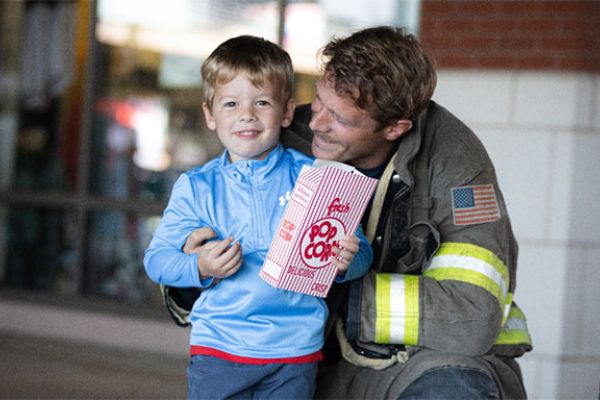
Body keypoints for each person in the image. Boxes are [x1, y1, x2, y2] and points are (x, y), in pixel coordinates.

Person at [175, 26, 533, 399]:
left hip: (406, 364)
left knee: (453, 390)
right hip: (298, 360)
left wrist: (338, 288)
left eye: (341, 120)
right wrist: (190, 273)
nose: (314, 123)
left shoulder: (458, 169)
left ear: (396, 128)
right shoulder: (283, 134)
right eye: (318, 100)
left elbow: (471, 318)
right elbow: (196, 282)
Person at [143, 35, 372, 400]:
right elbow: (157, 261)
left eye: (261, 102)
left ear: (286, 112)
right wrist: (199, 266)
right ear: (210, 115)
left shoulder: (316, 178)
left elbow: (359, 254)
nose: (246, 115)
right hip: (219, 349)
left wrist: (349, 260)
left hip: (295, 351)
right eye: (231, 103)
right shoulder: (197, 187)